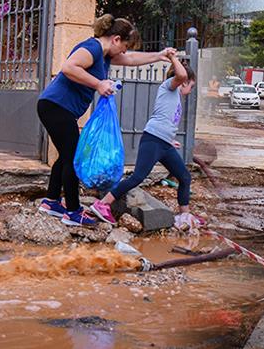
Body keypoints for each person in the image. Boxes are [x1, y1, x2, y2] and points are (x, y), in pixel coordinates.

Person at [37, 14, 175, 227]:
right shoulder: (92, 48)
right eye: (124, 46)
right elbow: (69, 67)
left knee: (66, 155)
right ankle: (73, 212)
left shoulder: (105, 55)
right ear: (116, 39)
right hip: (56, 107)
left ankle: (51, 201)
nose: (124, 51)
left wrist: (159, 55)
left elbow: (130, 60)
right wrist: (99, 84)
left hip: (55, 107)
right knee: (72, 158)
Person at [88, 54, 204, 230]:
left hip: (164, 143)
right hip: (153, 140)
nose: (191, 90)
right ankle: (103, 204)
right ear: (184, 82)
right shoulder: (169, 87)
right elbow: (180, 75)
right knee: (138, 177)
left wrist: (170, 140)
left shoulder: (175, 97)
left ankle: (184, 216)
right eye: (191, 86)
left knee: (184, 177)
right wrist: (174, 59)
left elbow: (166, 120)